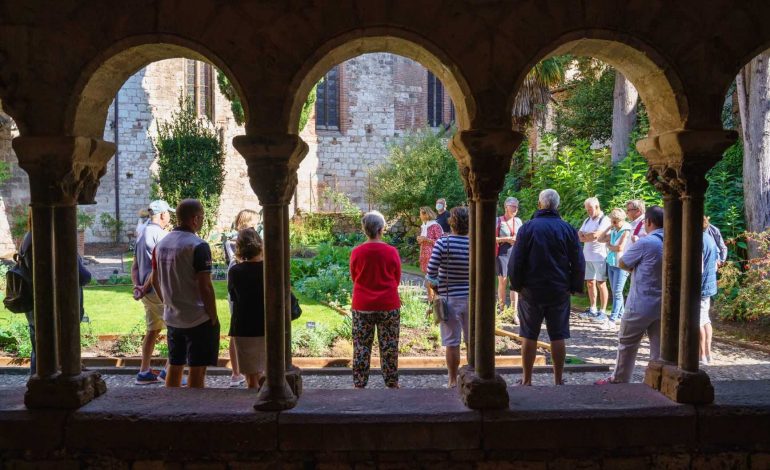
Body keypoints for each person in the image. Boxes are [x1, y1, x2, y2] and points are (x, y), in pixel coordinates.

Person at [509, 189, 584, 386]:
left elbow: (517, 260)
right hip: (559, 289)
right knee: (558, 334)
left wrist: (516, 284)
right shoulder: (567, 229)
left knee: (528, 334)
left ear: (540, 204)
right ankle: (558, 380)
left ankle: (526, 380)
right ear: (557, 205)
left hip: (531, 290)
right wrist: (574, 286)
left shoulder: (527, 228)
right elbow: (578, 260)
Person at [151, 199, 219, 388]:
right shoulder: (198, 245)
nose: (203, 220)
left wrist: (166, 302)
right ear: (195, 219)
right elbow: (205, 287)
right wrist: (212, 315)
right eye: (203, 216)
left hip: (173, 316)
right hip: (197, 318)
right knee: (197, 369)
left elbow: (154, 279)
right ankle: (193, 411)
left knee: (175, 364)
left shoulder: (162, 244)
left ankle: (172, 408)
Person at [595, 206, 664, 385]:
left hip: (641, 301)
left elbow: (623, 262)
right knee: (659, 346)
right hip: (665, 304)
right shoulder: (676, 242)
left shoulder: (647, 242)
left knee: (627, 342)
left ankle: (619, 380)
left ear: (648, 222)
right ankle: (658, 380)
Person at [21, 220, 92, 375]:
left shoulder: (28, 238)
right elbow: (83, 276)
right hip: (58, 310)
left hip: (35, 308)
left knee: (38, 351)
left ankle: (36, 385)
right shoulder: (54, 240)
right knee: (59, 351)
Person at [349, 211, 401, 389]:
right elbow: (397, 278)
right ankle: (392, 382)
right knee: (389, 346)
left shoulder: (357, 252)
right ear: (381, 229)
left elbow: (354, 277)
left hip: (362, 305)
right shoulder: (391, 251)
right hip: (388, 304)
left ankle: (359, 384)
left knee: (361, 346)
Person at [426, 206, 471, 388]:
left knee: (452, 342)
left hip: (449, 299)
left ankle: (453, 380)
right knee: (472, 341)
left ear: (451, 223)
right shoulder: (475, 243)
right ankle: (473, 375)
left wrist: (438, 290)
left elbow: (430, 274)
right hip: (473, 299)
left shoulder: (443, 243)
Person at [131, 199, 174, 384]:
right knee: (176, 330)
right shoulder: (162, 235)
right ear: (163, 215)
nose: (170, 217)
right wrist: (146, 286)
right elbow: (157, 270)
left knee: (153, 330)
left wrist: (137, 286)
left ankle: (144, 372)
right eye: (168, 213)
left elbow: (135, 266)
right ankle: (168, 373)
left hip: (146, 293)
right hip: (158, 292)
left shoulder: (141, 233)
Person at [222, 208, 260, 387]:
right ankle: (237, 372)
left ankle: (237, 373)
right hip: (251, 305)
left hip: (242, 308)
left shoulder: (235, 241)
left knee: (237, 330)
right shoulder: (246, 241)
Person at [227, 228, 266, 389]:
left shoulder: (235, 271)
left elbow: (234, 297)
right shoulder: (270, 269)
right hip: (266, 324)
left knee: (251, 378)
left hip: (244, 326)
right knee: (268, 372)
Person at [578, 197, 611, 321]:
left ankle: (602, 312)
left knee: (601, 283)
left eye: (590, 209)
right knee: (590, 283)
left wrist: (588, 236)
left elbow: (597, 236)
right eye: (587, 210)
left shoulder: (604, 220)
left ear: (597, 207)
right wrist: (588, 236)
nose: (588, 212)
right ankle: (593, 309)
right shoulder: (587, 220)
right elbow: (579, 235)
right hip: (587, 255)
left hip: (600, 255)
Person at [598, 208, 632, 326]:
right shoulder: (614, 230)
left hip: (621, 265)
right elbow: (600, 239)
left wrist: (609, 246)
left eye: (615, 221)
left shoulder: (626, 231)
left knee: (617, 292)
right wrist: (608, 228)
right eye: (612, 221)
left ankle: (612, 319)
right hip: (612, 263)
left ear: (621, 220)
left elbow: (620, 248)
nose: (613, 223)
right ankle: (620, 316)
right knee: (616, 291)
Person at [496, 197, 523, 315]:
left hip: (515, 252)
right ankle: (501, 309)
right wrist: (507, 239)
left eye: (517, 206)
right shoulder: (498, 221)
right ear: (506, 207)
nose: (515, 209)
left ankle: (513, 312)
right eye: (513, 206)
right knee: (503, 281)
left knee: (515, 282)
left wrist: (517, 239)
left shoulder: (518, 221)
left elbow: (522, 236)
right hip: (502, 253)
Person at [700, 217, 719, 365]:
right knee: (705, 319)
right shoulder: (709, 238)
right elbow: (716, 264)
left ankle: (703, 354)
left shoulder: (698, 240)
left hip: (699, 287)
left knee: (698, 322)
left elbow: (697, 268)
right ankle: (708, 353)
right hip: (708, 285)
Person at [416, 206, 443, 303]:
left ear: (426, 215)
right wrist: (420, 239)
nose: (420, 216)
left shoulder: (435, 226)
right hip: (424, 254)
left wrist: (426, 239)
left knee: (433, 278)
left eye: (421, 214)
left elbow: (440, 241)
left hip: (433, 255)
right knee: (427, 277)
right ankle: (430, 298)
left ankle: (436, 299)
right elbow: (424, 240)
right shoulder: (424, 225)